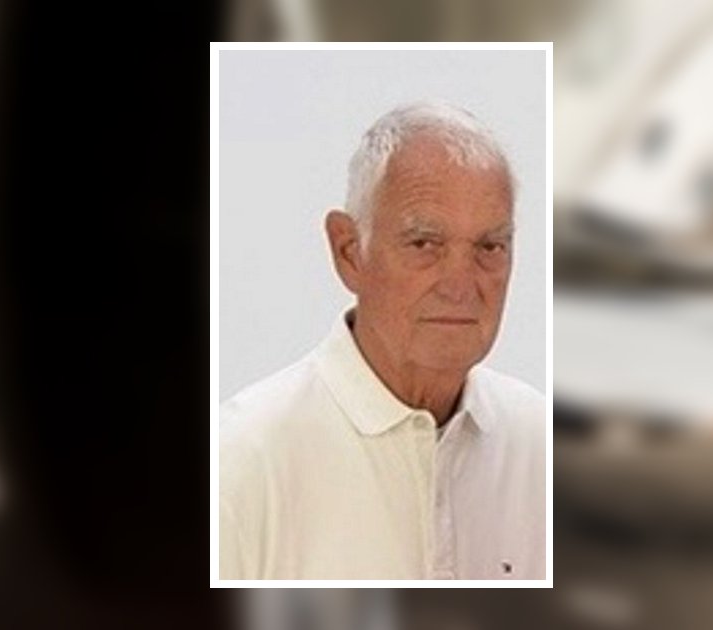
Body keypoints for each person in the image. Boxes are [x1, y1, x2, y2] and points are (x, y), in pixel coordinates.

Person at [219, 101, 545, 580]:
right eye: (424, 244)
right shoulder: (240, 463)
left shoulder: (543, 447)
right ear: (349, 252)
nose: (461, 286)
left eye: (489, 247)